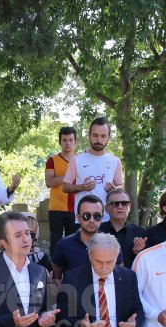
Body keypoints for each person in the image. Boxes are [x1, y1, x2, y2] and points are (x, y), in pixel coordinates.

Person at [56, 233, 142, 327]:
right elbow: (61, 319)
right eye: (98, 261)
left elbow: (137, 309)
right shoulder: (72, 278)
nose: (103, 267)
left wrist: (134, 323)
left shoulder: (128, 277)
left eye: (109, 262)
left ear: (117, 256)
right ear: (90, 255)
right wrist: (82, 325)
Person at [61, 117, 123, 222]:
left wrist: (114, 189)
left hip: (107, 219)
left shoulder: (115, 161)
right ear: (89, 135)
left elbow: (120, 188)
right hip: (84, 219)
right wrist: (81, 187)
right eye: (95, 135)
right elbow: (65, 187)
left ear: (108, 137)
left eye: (103, 136)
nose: (99, 140)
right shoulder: (76, 159)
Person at [52, 195, 119, 280]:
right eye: (86, 216)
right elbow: (56, 277)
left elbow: (120, 276)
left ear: (102, 217)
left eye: (96, 216)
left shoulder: (112, 245)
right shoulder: (64, 245)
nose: (91, 220)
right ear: (78, 218)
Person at [45, 126, 78, 254]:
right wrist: (68, 175)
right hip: (56, 208)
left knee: (75, 241)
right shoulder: (52, 160)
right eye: (64, 140)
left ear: (76, 142)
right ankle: (54, 272)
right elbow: (49, 182)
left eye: (70, 140)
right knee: (56, 242)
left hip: (76, 208)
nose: (68, 143)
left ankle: (71, 271)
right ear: (60, 142)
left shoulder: (81, 160)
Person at [100, 188, 147, 268]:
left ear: (129, 207)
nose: (120, 207)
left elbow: (146, 264)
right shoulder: (98, 231)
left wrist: (138, 253)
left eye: (124, 203)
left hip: (131, 278)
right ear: (107, 209)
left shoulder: (141, 233)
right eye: (115, 204)